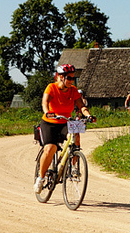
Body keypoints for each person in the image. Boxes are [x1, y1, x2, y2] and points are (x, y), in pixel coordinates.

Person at [34, 64, 95, 193]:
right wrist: (47, 112)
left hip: (65, 122)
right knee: (50, 148)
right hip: (50, 122)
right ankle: (41, 177)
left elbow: (81, 106)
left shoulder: (73, 90)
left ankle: (73, 166)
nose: (72, 81)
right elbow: (45, 102)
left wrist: (88, 115)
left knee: (75, 135)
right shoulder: (51, 87)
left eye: (73, 78)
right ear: (60, 77)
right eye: (69, 78)